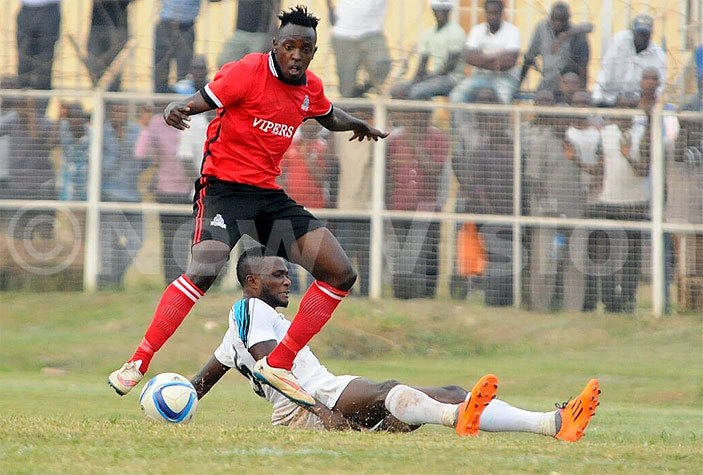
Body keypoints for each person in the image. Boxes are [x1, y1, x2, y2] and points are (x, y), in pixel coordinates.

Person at [108, 6, 389, 408]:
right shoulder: (246, 72)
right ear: (275, 46)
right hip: (223, 190)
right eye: (289, 46)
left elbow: (327, 115)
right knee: (204, 269)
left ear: (312, 52)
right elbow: (199, 100)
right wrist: (177, 108)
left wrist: (357, 124)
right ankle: (137, 362)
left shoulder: (309, 87)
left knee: (341, 273)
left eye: (305, 49)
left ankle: (279, 362)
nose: (296, 55)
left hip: (267, 196)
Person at [190, 249, 600, 441]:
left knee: (453, 395)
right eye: (277, 275)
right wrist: (318, 408)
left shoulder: (239, 333)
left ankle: (552, 423)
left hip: (321, 402)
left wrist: (171, 397)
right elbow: (272, 370)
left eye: (287, 273)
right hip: (311, 404)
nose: (287, 280)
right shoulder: (249, 311)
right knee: (389, 391)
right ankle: (457, 418)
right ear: (252, 283)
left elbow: (198, 387)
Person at [523, 90, 586, 312]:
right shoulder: (541, 143)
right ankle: (540, 308)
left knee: (575, 263)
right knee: (544, 264)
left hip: (573, 215)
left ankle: (573, 309)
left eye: (566, 118)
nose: (562, 121)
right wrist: (549, 209)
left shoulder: (573, 146)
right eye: (558, 117)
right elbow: (534, 181)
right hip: (547, 216)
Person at [386, 109, 447, 299]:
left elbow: (435, 170)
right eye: (412, 115)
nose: (415, 119)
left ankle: (421, 294)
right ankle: (401, 294)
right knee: (400, 250)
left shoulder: (438, 138)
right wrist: (388, 204)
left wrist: (416, 147)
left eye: (420, 115)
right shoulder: (395, 141)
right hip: (400, 205)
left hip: (426, 206)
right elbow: (388, 174)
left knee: (422, 251)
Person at [99, 102, 148, 289]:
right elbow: (100, 165)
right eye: (116, 109)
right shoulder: (102, 133)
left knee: (137, 240)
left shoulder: (137, 132)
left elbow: (145, 162)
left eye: (122, 110)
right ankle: (110, 282)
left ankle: (113, 276)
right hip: (108, 193)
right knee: (109, 241)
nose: (119, 113)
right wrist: (120, 148)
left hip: (132, 194)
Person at [389, 0, 465, 100]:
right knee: (397, 90)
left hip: (452, 78)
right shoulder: (429, 33)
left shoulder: (456, 32)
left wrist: (427, 78)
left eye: (443, 10)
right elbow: (423, 63)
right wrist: (416, 79)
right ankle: (403, 115)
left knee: (417, 92)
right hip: (433, 76)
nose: (439, 12)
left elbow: (449, 67)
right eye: (436, 9)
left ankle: (421, 115)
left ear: (449, 10)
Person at [449, 0, 521, 105]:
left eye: (496, 13)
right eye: (490, 13)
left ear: (502, 13)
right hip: (479, 77)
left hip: (505, 78)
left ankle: (501, 122)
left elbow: (509, 62)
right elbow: (469, 57)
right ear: (485, 13)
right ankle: (466, 122)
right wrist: (496, 58)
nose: (493, 16)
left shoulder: (513, 31)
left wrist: (481, 59)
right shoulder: (477, 30)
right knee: (456, 97)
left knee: (503, 100)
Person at [592, 14, 666, 107]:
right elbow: (604, 72)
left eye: (645, 34)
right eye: (639, 33)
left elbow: (660, 87)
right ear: (633, 32)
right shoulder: (619, 42)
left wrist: (646, 103)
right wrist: (597, 99)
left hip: (638, 103)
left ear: (651, 34)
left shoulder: (659, 56)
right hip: (610, 100)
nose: (642, 37)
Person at [519, 2, 592, 94]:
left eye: (562, 21)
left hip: (567, 85)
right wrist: (519, 83)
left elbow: (589, 27)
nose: (558, 24)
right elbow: (529, 57)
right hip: (547, 82)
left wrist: (565, 35)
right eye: (555, 20)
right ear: (550, 18)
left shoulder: (576, 33)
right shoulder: (542, 28)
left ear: (567, 20)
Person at [326, 0, 391, 97]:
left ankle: (366, 88)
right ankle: (356, 99)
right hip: (343, 34)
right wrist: (330, 8)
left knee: (382, 65)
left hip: (373, 33)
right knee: (346, 89)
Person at [153, 0, 217, 93]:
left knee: (184, 72)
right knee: (160, 69)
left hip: (186, 26)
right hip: (165, 24)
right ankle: (159, 103)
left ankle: (181, 102)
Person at [15, 0, 61, 96]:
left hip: (50, 9)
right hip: (26, 7)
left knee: (45, 64)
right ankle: (22, 103)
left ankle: (41, 107)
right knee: (24, 62)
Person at [217, 0, 281, 66]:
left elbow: (276, 7)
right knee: (224, 62)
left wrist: (270, 36)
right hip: (240, 32)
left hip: (261, 35)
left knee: (256, 66)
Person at [88, 0, 132, 91]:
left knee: (114, 70)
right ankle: (98, 99)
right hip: (96, 26)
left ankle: (111, 100)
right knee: (95, 68)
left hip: (118, 27)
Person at [58, 102, 91, 202]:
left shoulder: (91, 133)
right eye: (71, 117)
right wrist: (60, 116)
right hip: (67, 187)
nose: (75, 120)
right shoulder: (64, 129)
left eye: (78, 116)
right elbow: (51, 142)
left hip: (85, 187)